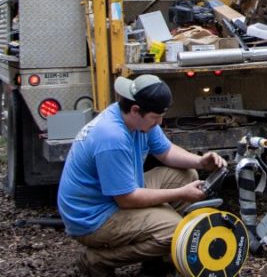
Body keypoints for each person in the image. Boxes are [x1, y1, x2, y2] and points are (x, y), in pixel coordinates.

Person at [58, 74, 227, 277]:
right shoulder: (112, 137)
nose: (159, 122)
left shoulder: (137, 119)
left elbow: (166, 152)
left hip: (113, 196)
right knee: (177, 231)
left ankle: (157, 262)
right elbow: (127, 199)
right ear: (136, 110)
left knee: (186, 174)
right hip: (93, 217)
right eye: (155, 118)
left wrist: (200, 161)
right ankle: (97, 260)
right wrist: (180, 193)